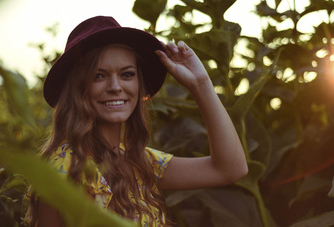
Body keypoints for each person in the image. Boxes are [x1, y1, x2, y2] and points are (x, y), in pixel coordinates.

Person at [28, 16, 248, 227]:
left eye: (127, 74)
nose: (115, 86)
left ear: (139, 85)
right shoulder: (64, 168)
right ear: (77, 88)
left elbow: (230, 169)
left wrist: (200, 84)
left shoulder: (140, 161)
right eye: (98, 75)